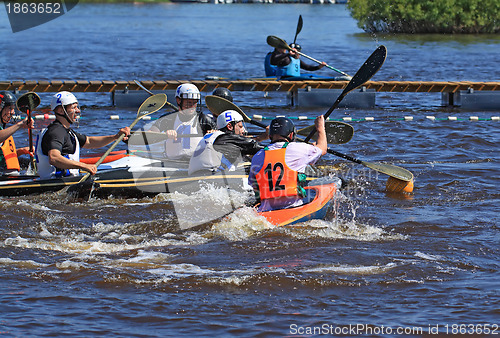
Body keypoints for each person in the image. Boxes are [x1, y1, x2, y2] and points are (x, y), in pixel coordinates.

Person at [35, 91, 130, 179]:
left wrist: (116, 137)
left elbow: (89, 142)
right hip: (56, 183)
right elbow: (54, 158)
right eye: (73, 107)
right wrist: (84, 166)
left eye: (77, 107)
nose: (78, 111)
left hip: (67, 180)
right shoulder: (56, 132)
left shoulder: (66, 131)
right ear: (60, 110)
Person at [248, 116, 327, 212]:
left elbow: (254, 184)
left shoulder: (257, 156)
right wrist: (320, 127)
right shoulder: (299, 148)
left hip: (266, 211)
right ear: (291, 135)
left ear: (270, 136)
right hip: (293, 208)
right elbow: (322, 149)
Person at [188, 110, 268, 175]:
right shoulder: (229, 137)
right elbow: (257, 147)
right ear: (229, 126)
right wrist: (275, 138)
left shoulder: (211, 136)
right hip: (210, 180)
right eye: (240, 127)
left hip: (194, 177)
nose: (243, 131)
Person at [149, 83, 216, 160]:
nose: (192, 106)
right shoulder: (168, 119)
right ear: (178, 100)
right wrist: (164, 134)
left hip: (197, 162)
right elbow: (149, 135)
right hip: (171, 162)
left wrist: (214, 135)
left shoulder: (205, 120)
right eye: (188, 103)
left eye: (194, 102)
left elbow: (223, 140)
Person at [0, 91, 34, 175]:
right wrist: (20, 124)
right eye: (10, 108)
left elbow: (3, 155)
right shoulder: (3, 133)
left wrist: (21, 151)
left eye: (13, 109)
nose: (13, 112)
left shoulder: (3, 129)